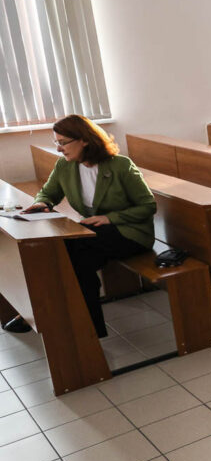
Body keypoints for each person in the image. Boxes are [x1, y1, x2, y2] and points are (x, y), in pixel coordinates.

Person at [3, 116, 156, 337]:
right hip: (96, 232)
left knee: (74, 254)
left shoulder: (120, 165)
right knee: (70, 256)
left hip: (130, 233)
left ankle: (68, 321)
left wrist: (109, 218)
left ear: (84, 140)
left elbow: (148, 206)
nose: (59, 148)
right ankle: (84, 326)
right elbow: (49, 192)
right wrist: (42, 203)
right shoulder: (65, 166)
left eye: (63, 142)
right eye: (56, 142)